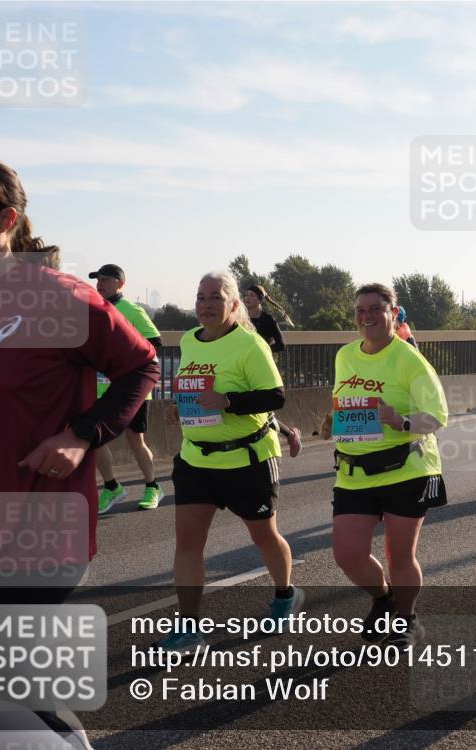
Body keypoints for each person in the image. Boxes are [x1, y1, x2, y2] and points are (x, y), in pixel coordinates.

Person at [0, 151, 159, 747]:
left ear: (6, 219)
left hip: (43, 525)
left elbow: (142, 365)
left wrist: (82, 433)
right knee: (11, 697)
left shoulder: (57, 296)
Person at [157, 271, 301, 651]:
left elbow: (276, 398)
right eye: (200, 297)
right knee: (187, 544)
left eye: (215, 297)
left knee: (264, 536)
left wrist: (229, 402)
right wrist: (178, 409)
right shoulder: (189, 340)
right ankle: (188, 627)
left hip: (247, 458)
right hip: (196, 460)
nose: (205, 304)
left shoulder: (250, 345)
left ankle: (285, 595)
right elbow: (194, 390)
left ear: (234, 305)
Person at [327, 283, 448, 649]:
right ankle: (383, 598)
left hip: (407, 467)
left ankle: (407, 618)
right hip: (354, 471)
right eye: (361, 310)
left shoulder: (409, 359)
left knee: (399, 556)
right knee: (347, 554)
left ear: (393, 314)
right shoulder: (345, 355)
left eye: (376, 308)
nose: (367, 316)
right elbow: (345, 400)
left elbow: (438, 415)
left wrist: (402, 422)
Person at [89, 263, 165, 512]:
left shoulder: (131, 310)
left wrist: (121, 357)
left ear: (120, 283)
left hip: (132, 388)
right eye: (97, 279)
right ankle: (111, 487)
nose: (100, 283)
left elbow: (155, 342)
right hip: (101, 388)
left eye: (106, 279)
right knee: (95, 438)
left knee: (135, 440)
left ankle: (153, 486)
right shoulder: (94, 309)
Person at [242, 284, 303, 457]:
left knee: (261, 408)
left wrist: (264, 350)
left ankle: (290, 435)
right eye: (245, 295)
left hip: (262, 367)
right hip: (242, 366)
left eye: (251, 295)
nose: (247, 298)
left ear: (260, 299)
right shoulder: (241, 319)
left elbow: (281, 344)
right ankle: (289, 435)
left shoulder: (267, 320)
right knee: (258, 408)